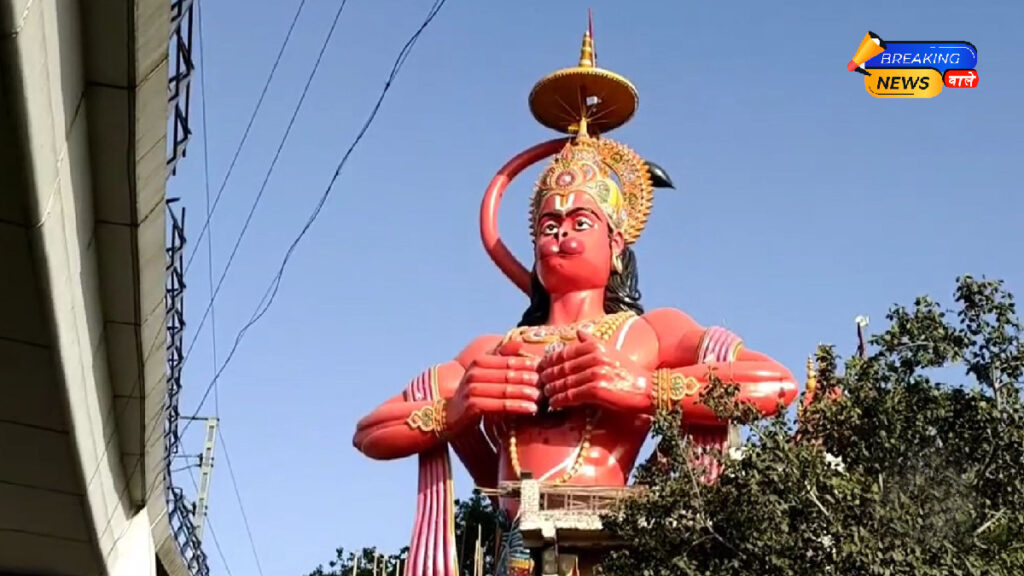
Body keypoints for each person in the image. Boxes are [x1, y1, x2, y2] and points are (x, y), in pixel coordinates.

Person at [352, 24, 797, 576]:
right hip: (514, 547)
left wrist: (643, 388)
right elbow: (371, 431)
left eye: (579, 221)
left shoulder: (647, 334)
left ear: (615, 243)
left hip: (609, 546)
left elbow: (774, 385)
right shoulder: (499, 349)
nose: (559, 234)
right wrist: (459, 408)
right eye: (547, 224)